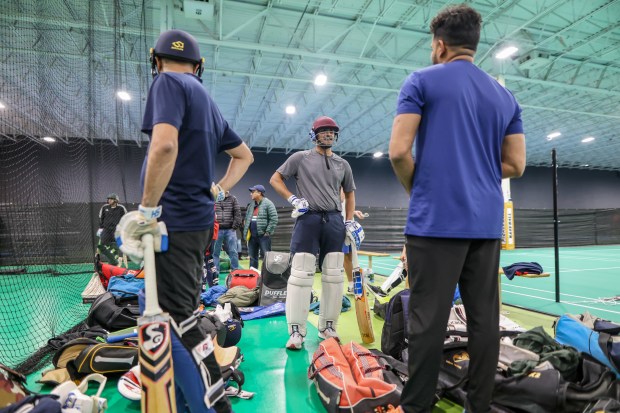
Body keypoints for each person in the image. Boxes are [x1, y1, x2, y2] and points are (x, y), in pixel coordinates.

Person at [388, 4, 526, 412]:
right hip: (485, 224)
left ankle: (417, 408)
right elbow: (516, 165)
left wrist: (424, 188)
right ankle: (478, 407)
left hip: (435, 223)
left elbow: (398, 152)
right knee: (485, 323)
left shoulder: (421, 81)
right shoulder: (504, 95)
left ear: (440, 45)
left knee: (427, 324)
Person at [115, 29, 253, 413]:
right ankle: (181, 397)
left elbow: (164, 145)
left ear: (155, 60)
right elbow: (244, 156)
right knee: (176, 311)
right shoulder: (206, 100)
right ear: (200, 66)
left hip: (171, 221)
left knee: (177, 323)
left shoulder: (166, 84)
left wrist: (147, 210)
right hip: (194, 223)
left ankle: (212, 405)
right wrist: (218, 190)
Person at [269, 115, 363, 350]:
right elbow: (275, 178)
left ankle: (328, 327)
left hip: (334, 219)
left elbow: (349, 193)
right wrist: (292, 198)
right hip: (308, 218)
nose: (329, 134)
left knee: (334, 274)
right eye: (324, 131)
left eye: (332, 131)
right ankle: (296, 332)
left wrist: (349, 221)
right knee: (300, 274)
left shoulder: (343, 164)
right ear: (314, 134)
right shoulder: (301, 158)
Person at [242, 185, 278, 270]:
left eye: (253, 192)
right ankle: (253, 276)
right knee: (252, 257)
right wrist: (246, 230)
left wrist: (268, 232)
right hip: (252, 236)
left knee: (266, 257)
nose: (251, 194)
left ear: (259, 193)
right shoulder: (251, 205)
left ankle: (267, 276)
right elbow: (247, 217)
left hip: (263, 236)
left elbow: (274, 218)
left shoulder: (268, 203)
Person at [213, 191, 242, 272]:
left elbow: (237, 213)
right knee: (215, 253)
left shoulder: (233, 199)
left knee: (233, 251)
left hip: (230, 230)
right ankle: (215, 272)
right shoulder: (214, 199)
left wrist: (234, 227)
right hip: (217, 230)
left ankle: (235, 271)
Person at [97, 193, 126, 265]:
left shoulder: (121, 208)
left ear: (116, 200)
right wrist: (101, 228)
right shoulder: (104, 207)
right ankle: (111, 259)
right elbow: (101, 218)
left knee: (116, 246)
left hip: (116, 231)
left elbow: (125, 218)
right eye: (108, 199)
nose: (109, 200)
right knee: (102, 246)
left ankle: (115, 261)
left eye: (111, 199)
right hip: (106, 230)